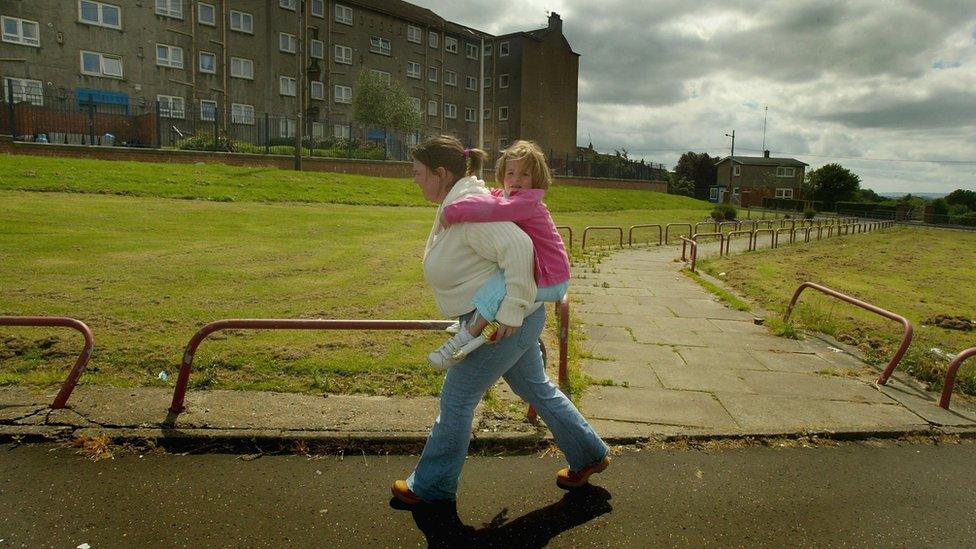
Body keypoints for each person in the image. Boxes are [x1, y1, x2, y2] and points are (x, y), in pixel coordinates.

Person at [391, 135, 609, 505]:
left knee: (457, 397)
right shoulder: (463, 196)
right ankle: (589, 454)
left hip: (509, 321)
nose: (413, 179)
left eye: (417, 173)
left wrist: (508, 312)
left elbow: (518, 248)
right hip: (517, 317)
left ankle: (431, 486)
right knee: (537, 389)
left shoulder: (466, 204)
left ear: (440, 173)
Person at [426, 140, 570, 370]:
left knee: (497, 288)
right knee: (536, 384)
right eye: (510, 173)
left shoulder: (527, 202)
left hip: (552, 278)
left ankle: (465, 336)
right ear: (502, 175)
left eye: (525, 174)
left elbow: (493, 208)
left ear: (536, 179)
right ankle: (473, 324)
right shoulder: (510, 197)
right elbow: (491, 198)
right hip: (542, 272)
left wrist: (454, 211)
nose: (516, 180)